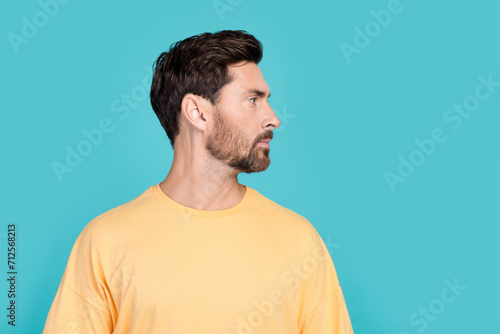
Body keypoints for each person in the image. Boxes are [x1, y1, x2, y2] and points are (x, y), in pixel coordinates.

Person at [43, 30, 354, 333]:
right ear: (197, 113)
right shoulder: (104, 242)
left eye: (267, 99)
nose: (273, 118)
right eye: (252, 100)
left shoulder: (300, 242)